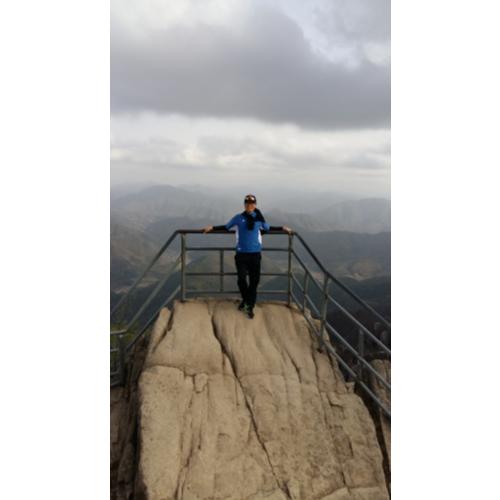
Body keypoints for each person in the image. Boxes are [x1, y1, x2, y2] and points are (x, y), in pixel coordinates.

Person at [202, 194, 292, 318]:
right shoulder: (238, 218)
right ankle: (247, 303)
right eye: (248, 203)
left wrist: (282, 228)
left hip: (255, 254)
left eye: (252, 203)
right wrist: (212, 227)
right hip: (242, 254)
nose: (250, 205)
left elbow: (268, 228)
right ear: (244, 205)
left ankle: (248, 306)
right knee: (241, 280)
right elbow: (226, 227)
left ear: (255, 205)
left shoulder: (259, 218)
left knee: (254, 282)